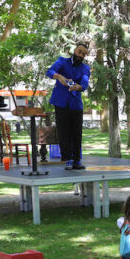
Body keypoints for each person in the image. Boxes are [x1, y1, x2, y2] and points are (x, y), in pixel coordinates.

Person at [46, 41, 91, 170]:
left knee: (77, 132)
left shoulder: (85, 68)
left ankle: (77, 160)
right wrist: (59, 76)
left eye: (84, 54)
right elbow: (50, 71)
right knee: (63, 131)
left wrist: (79, 87)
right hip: (60, 102)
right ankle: (67, 159)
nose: (81, 55)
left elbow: (84, 83)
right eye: (79, 51)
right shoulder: (62, 61)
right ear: (74, 50)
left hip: (76, 104)